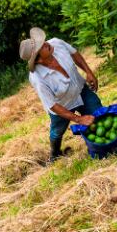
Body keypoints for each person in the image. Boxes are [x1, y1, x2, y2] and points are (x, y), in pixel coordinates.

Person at [19, 27, 102, 162]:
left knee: (98, 114)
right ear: (38, 60)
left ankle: (100, 146)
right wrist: (78, 119)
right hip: (62, 106)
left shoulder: (57, 43)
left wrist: (88, 72)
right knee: (57, 131)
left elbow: (74, 54)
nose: (47, 44)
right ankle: (55, 153)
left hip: (81, 90)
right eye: (42, 47)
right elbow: (52, 105)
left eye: (43, 41)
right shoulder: (38, 78)